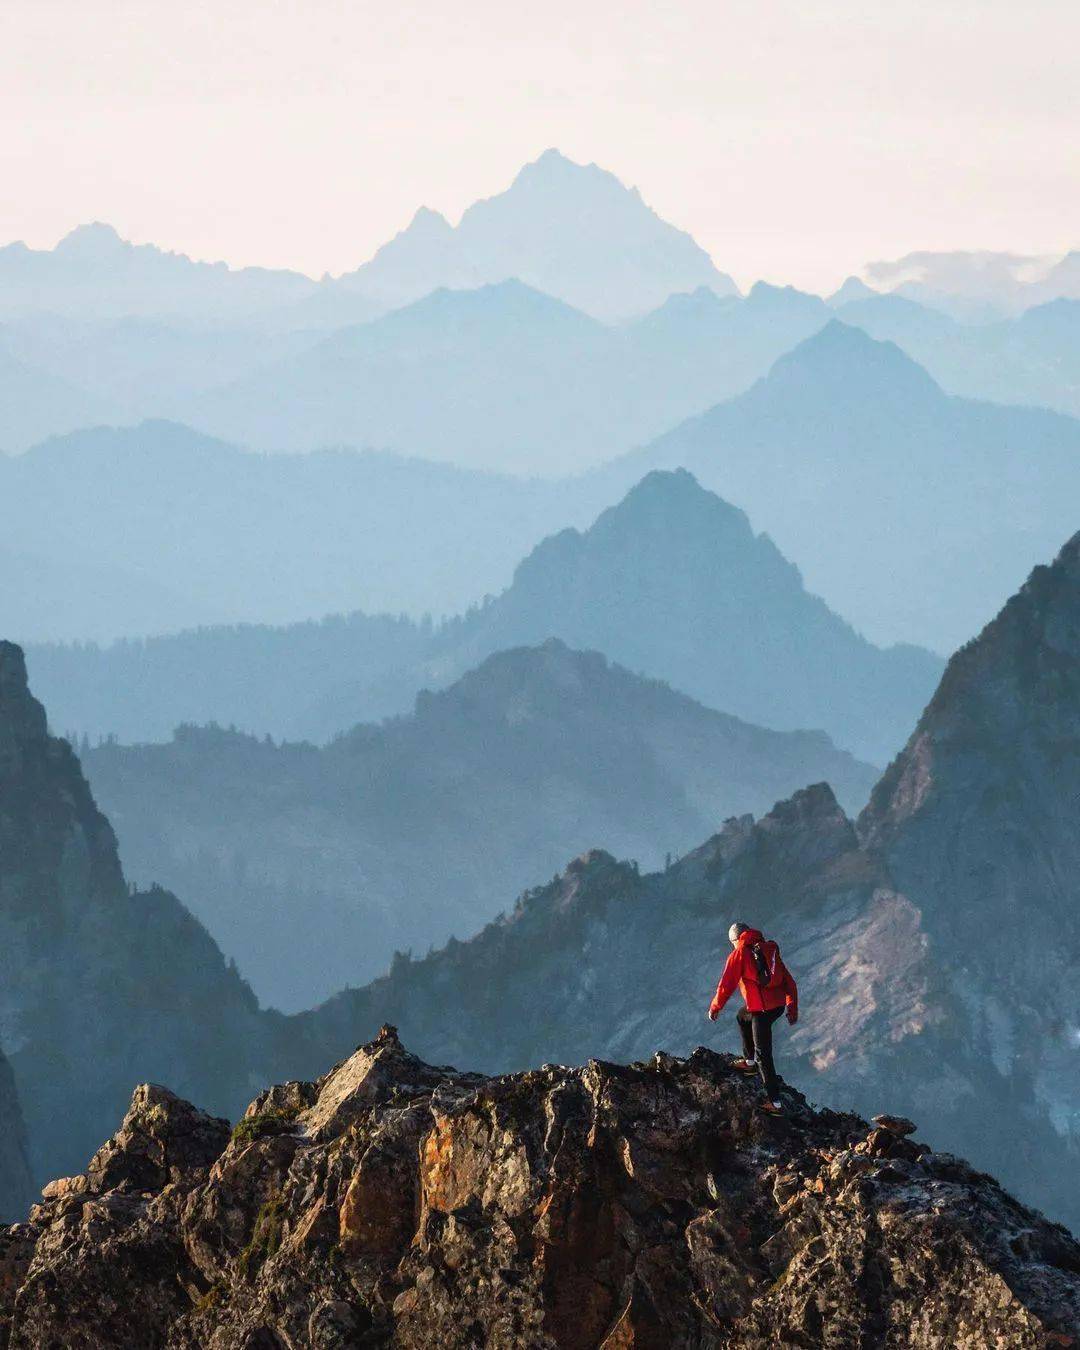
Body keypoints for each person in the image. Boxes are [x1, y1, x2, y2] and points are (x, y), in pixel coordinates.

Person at [707, 921, 798, 1115]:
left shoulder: (739, 953)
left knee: (763, 1055)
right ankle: (748, 1063)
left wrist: (715, 1007)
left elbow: (726, 984)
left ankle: (775, 1103)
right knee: (742, 1016)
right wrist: (791, 1007)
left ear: (735, 939)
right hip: (776, 1007)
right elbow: (788, 980)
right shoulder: (767, 949)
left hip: (763, 1011)